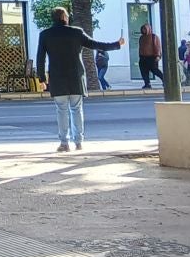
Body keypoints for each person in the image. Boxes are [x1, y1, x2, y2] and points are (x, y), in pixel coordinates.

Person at [35, 8, 124, 153]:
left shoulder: (45, 34)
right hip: (76, 76)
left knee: (61, 110)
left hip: (57, 77)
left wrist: (42, 78)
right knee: (76, 109)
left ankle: (64, 143)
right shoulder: (76, 32)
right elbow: (95, 44)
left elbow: (40, 57)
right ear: (64, 17)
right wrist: (116, 44)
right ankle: (78, 142)